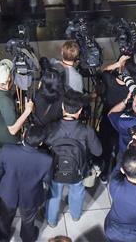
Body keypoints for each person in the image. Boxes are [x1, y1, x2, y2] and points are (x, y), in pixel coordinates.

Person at [44, 90, 103, 227]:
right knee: (77, 192)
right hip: (78, 171)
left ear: (63, 107)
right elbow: (98, 152)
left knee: (54, 194)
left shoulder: (52, 127)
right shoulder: (87, 130)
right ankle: (75, 216)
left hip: (55, 170)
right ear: (80, 110)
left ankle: (52, 221)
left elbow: (45, 145)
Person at [0, 124, 53, 242]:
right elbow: (47, 180)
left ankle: (3, 237)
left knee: (5, 217)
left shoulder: (7, 149)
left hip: (8, 191)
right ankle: (27, 238)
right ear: (40, 143)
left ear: (24, 135)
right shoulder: (47, 160)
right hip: (30, 196)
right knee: (28, 221)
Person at [0, 59, 35, 180]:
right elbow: (13, 130)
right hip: (6, 141)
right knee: (9, 162)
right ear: (8, 80)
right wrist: (27, 111)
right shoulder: (6, 102)